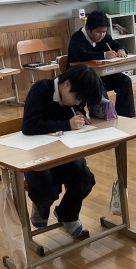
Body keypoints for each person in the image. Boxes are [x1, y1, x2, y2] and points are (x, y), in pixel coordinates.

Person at [22, 65, 104, 237]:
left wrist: (81, 115)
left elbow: (77, 108)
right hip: (38, 157)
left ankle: (67, 214)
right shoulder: (41, 90)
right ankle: (41, 205)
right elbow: (29, 126)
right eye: (77, 98)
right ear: (67, 84)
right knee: (47, 189)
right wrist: (67, 124)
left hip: (65, 153)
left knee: (85, 179)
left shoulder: (72, 98)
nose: (78, 103)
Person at [68, 10, 136, 117]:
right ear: (88, 29)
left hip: (100, 75)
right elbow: (81, 55)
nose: (102, 35)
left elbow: (118, 45)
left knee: (125, 81)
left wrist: (121, 50)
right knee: (98, 85)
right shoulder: (77, 38)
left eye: (104, 31)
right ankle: (107, 116)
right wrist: (104, 55)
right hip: (81, 79)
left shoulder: (105, 37)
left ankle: (125, 117)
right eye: (98, 32)